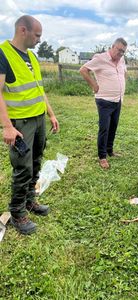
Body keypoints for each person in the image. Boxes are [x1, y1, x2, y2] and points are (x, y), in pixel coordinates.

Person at [0, 15, 59, 234]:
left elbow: (39, 90)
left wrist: (51, 114)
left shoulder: (32, 57)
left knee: (35, 161)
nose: (40, 40)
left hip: (38, 119)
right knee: (22, 167)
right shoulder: (3, 53)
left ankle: (29, 201)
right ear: (23, 30)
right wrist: (7, 126)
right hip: (20, 123)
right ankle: (17, 212)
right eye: (37, 35)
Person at [80, 38, 127, 169]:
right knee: (104, 128)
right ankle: (102, 156)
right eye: (119, 50)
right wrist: (94, 85)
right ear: (112, 47)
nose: (120, 54)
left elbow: (124, 72)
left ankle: (110, 150)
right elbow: (83, 70)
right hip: (104, 101)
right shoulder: (100, 59)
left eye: (123, 52)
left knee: (113, 126)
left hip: (118, 100)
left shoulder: (122, 60)